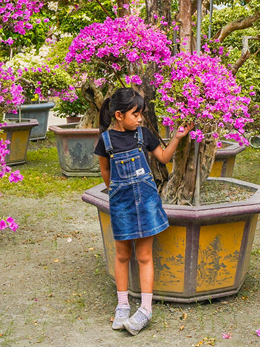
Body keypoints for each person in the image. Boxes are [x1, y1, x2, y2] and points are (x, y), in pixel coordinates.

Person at [94, 88, 189, 335]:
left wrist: (177, 137)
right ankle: (123, 305)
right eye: (135, 114)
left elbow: (164, 158)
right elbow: (106, 172)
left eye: (141, 114)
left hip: (146, 202)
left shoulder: (143, 135)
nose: (139, 119)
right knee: (122, 255)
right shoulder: (105, 141)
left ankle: (146, 309)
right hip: (122, 204)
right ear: (118, 115)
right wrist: (116, 192)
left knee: (144, 256)